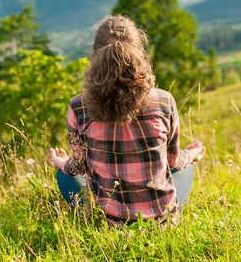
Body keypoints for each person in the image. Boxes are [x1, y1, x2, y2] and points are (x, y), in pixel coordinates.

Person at [47, 15, 205, 225]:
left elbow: (77, 167)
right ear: (140, 53)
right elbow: (173, 161)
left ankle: (97, 217)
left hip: (106, 221)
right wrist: (191, 154)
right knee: (187, 167)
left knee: (63, 175)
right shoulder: (165, 101)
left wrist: (59, 162)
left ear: (95, 55)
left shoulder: (78, 107)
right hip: (161, 221)